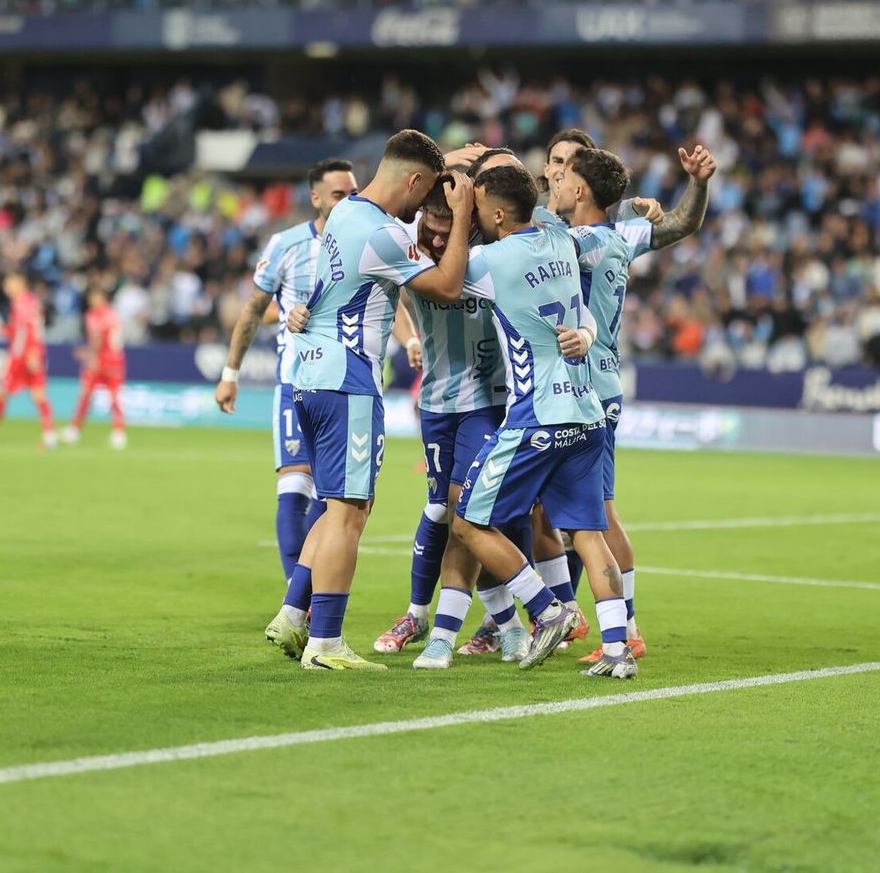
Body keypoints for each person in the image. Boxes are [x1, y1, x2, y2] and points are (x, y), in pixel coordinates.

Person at [414, 164, 638, 679]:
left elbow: (444, 280)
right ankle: (618, 649)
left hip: (535, 419)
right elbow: (583, 304)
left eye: (480, 207)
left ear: (496, 214)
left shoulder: (489, 261)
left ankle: (546, 609)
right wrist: (586, 333)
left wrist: (460, 210)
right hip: (587, 414)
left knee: (468, 522)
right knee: (588, 534)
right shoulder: (562, 241)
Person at [264, 130, 475, 671]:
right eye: (424, 192)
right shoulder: (385, 235)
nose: (423, 207)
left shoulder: (344, 213)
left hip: (308, 376)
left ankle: (293, 612)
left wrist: (448, 162)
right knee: (349, 513)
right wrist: (462, 213)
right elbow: (448, 286)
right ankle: (326, 643)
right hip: (348, 381)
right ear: (414, 180)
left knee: (336, 506)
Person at [547, 143, 715, 663]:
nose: (555, 179)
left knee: (591, 515)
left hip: (585, 389)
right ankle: (578, 617)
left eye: (562, 174)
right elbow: (684, 223)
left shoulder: (575, 242)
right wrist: (697, 184)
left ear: (580, 188)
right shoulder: (619, 237)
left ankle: (608, 625)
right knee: (577, 512)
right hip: (601, 384)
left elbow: (524, 242)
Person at [372, 168, 516, 658]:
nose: (434, 237)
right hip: (435, 405)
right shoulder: (411, 255)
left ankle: (457, 632)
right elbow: (386, 295)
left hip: (487, 402)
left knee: (465, 513)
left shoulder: (488, 260)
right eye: (428, 226)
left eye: (443, 227)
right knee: (440, 509)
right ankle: (429, 616)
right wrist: (410, 337)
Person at [216, 159, 359, 581]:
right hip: (295, 382)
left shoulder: (368, 242)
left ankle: (303, 596)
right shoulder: (286, 244)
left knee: (336, 498)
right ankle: (296, 597)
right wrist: (230, 374)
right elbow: (252, 310)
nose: (348, 202)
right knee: (295, 487)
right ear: (315, 198)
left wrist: (410, 341)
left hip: (348, 385)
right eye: (338, 194)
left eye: (353, 193)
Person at [0, 273, 57, 449]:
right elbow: (17, 330)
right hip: (28, 354)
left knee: (7, 393)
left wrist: (33, 351)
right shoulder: (26, 302)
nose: (6, 287)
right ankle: (50, 436)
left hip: (23, 356)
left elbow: (31, 329)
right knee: (34, 395)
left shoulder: (24, 302)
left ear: (20, 282)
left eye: (9, 283)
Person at [61, 286, 128, 449]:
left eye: (95, 296)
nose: (92, 300)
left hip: (104, 361)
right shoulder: (110, 314)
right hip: (112, 360)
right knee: (103, 396)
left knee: (97, 396)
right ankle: (118, 433)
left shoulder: (97, 315)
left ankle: (76, 431)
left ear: (103, 298)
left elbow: (99, 339)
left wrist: (88, 354)